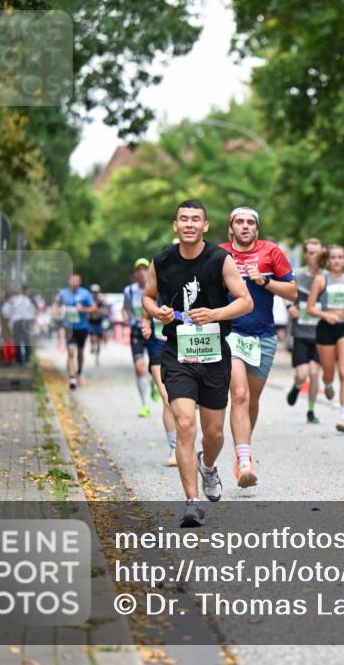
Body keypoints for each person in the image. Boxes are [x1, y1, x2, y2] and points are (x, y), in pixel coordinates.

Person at [143, 199, 252, 528]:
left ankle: (209, 467)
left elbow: (245, 302)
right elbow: (148, 296)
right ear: (175, 226)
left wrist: (215, 314)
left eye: (196, 219)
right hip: (177, 353)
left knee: (214, 433)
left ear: (205, 226)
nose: (189, 224)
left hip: (214, 354)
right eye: (183, 219)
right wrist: (156, 310)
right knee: (185, 424)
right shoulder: (161, 260)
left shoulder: (220, 259)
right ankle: (191, 502)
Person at [219, 207, 297, 488]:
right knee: (238, 394)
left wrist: (265, 281)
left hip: (262, 336)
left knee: (251, 399)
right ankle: (244, 462)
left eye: (250, 222)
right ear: (231, 228)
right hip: (230, 333)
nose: (245, 226)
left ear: (257, 229)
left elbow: (292, 291)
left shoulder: (271, 252)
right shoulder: (219, 254)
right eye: (239, 222)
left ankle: (244, 447)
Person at [307, 245, 344, 433]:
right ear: (328, 260)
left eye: (340, 257)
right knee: (329, 372)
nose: (337, 260)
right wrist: (325, 316)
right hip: (326, 328)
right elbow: (310, 308)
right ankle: (328, 383)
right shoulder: (320, 280)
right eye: (333, 257)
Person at [285, 238, 324, 423]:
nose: (314, 256)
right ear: (306, 255)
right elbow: (284, 293)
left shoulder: (327, 277)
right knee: (302, 374)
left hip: (320, 334)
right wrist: (288, 306)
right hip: (300, 333)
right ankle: (297, 385)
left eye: (318, 252)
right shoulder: (297, 275)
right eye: (310, 252)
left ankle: (311, 411)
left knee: (314, 373)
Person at [141, 293, 176, 466]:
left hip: (182, 349)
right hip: (158, 349)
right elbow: (145, 317)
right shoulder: (154, 292)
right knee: (167, 400)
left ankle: (185, 443)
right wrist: (146, 326)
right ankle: (174, 448)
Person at [124, 259, 157, 417]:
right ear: (135, 273)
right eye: (139, 269)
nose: (142, 272)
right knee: (139, 367)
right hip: (136, 331)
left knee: (154, 367)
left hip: (152, 331)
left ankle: (154, 382)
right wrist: (125, 317)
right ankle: (144, 404)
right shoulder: (129, 291)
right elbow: (125, 309)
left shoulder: (155, 287)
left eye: (145, 269)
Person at [54, 273, 95, 389]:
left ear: (79, 282)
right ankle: (72, 378)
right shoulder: (63, 293)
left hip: (82, 327)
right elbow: (56, 305)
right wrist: (57, 312)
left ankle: (80, 371)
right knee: (71, 352)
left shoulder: (85, 293)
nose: (74, 282)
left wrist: (84, 309)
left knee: (80, 353)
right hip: (69, 327)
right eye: (72, 280)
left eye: (76, 280)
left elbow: (94, 307)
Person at [2, 286, 36, 366]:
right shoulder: (26, 299)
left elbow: (5, 312)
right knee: (26, 340)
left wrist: (10, 316)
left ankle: (19, 360)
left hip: (16, 322)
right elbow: (32, 309)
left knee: (17, 341)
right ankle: (27, 360)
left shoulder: (11, 300)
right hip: (26, 321)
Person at [87, 284, 107, 366]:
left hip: (99, 322)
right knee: (92, 337)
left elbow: (104, 310)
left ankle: (97, 358)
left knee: (99, 340)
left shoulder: (100, 301)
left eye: (96, 292)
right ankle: (92, 345)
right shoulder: (89, 300)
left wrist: (98, 310)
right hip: (91, 322)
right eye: (93, 292)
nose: (94, 293)